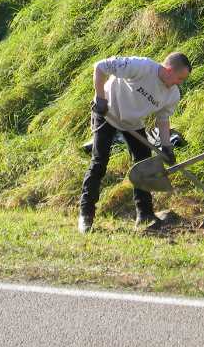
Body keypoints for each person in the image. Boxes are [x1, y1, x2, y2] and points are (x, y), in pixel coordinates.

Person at [78, 52, 191, 232]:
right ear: (169, 70)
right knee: (99, 162)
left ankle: (145, 215)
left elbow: (162, 120)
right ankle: (86, 215)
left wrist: (167, 147)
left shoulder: (172, 94)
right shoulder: (141, 67)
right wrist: (100, 98)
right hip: (107, 112)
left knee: (144, 165)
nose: (180, 83)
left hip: (132, 123)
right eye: (179, 78)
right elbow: (100, 67)